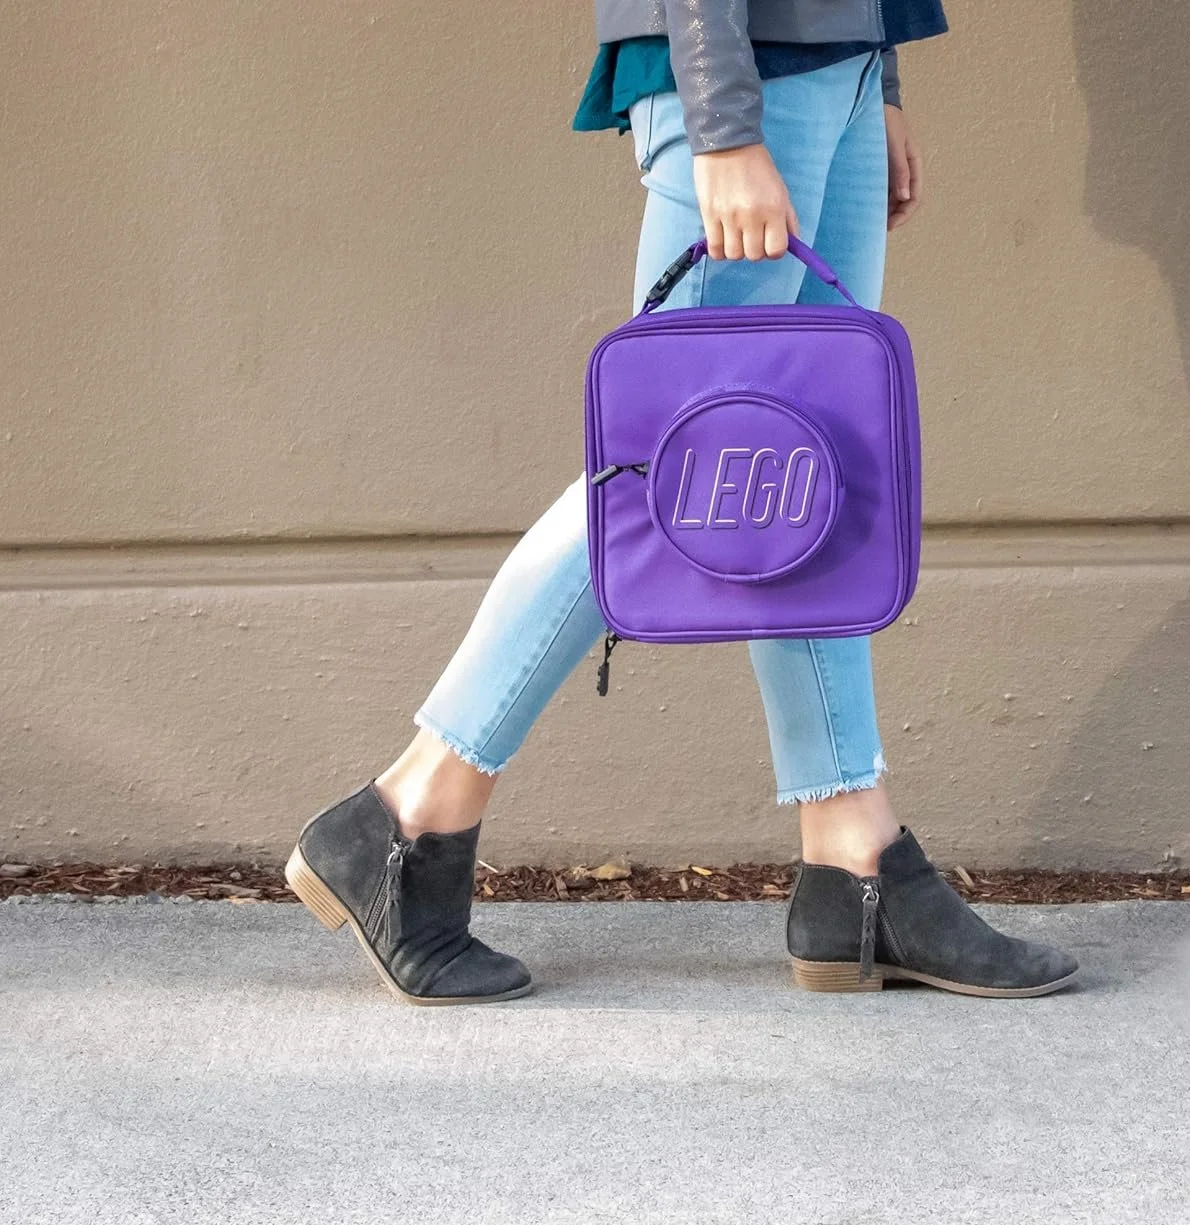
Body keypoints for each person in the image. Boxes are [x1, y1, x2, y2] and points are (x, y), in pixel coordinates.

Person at [284, 0, 1081, 1006]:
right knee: (667, 472)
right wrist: (725, 119)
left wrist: (876, 76)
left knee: (807, 465)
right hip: (746, 73)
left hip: (832, 61)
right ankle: (410, 812)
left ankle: (854, 860)